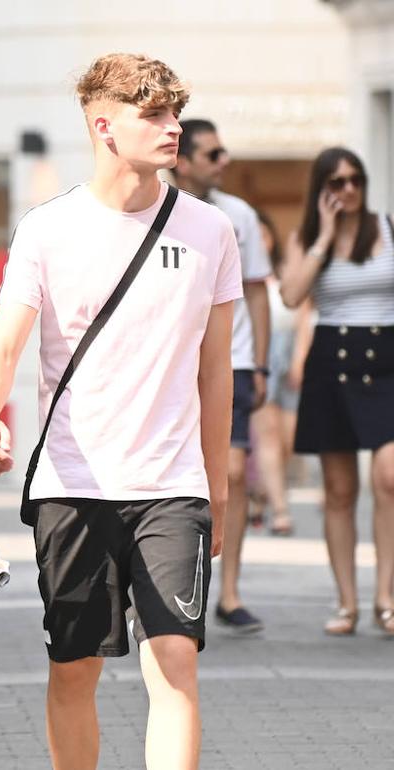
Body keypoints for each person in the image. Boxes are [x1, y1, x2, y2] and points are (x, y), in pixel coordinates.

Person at [0, 54, 239, 770]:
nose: (172, 127)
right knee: (74, 667)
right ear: (104, 126)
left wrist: (222, 492)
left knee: (176, 660)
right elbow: (1, 349)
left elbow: (218, 375)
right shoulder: (48, 229)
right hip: (73, 485)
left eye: (175, 113)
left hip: (170, 486)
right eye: (153, 114)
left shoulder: (211, 232)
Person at [280, 147, 394, 637]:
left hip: (386, 362)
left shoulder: (387, 227)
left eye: (355, 180)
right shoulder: (305, 237)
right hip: (332, 364)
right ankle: (347, 603)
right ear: (322, 189)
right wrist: (323, 239)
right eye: (337, 182)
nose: (348, 189)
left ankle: (386, 597)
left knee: (390, 477)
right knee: (340, 492)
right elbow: (290, 295)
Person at [174, 118, 272, 634]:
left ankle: (228, 591)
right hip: (170, 364)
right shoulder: (155, 213)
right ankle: (165, 580)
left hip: (231, 361)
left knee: (231, 471)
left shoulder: (239, 217)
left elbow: (257, 290)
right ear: (183, 162)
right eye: (213, 154)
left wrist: (261, 362)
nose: (223, 162)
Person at [249, 210, 309, 536]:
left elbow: (304, 313)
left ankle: (263, 490)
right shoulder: (240, 274)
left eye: (264, 234)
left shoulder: (285, 270)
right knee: (268, 434)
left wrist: (300, 358)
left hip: (290, 351)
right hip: (263, 352)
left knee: (290, 439)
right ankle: (281, 510)